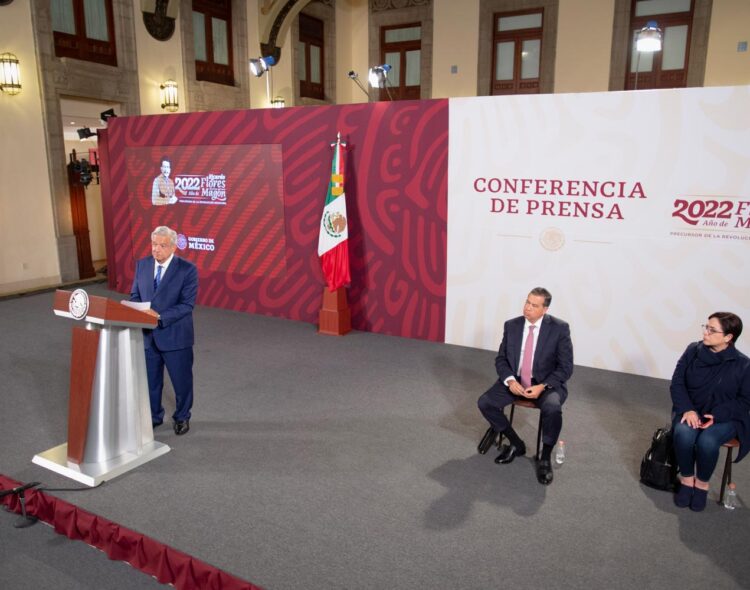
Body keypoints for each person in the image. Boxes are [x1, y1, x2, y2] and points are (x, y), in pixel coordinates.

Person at [477, 287, 574, 485]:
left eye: (534, 305)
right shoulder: (511, 325)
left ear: (545, 309)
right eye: (527, 302)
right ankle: (515, 443)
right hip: (516, 380)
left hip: (545, 383)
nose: (528, 308)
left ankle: (545, 457)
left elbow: (565, 368)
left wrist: (543, 386)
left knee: (553, 408)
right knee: (485, 403)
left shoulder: (559, 329)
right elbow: (501, 359)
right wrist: (510, 380)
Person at [670, 312, 750, 511]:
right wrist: (687, 409)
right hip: (692, 410)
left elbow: (745, 401)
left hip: (725, 416)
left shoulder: (743, 364)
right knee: (683, 433)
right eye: (705, 327)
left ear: (728, 337)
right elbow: (677, 383)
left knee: (707, 441)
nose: (705, 332)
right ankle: (688, 480)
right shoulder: (692, 351)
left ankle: (702, 485)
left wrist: (717, 415)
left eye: (712, 330)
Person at [130, 226, 198, 435]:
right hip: (148, 337)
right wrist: (138, 310)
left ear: (173, 247)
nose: (156, 249)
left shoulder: (187, 269)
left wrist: (159, 317)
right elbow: (135, 295)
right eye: (154, 244)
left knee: (181, 381)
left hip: (175, 336)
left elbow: (187, 305)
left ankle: (182, 417)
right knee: (151, 382)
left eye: (162, 245)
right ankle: (154, 416)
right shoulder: (142, 265)